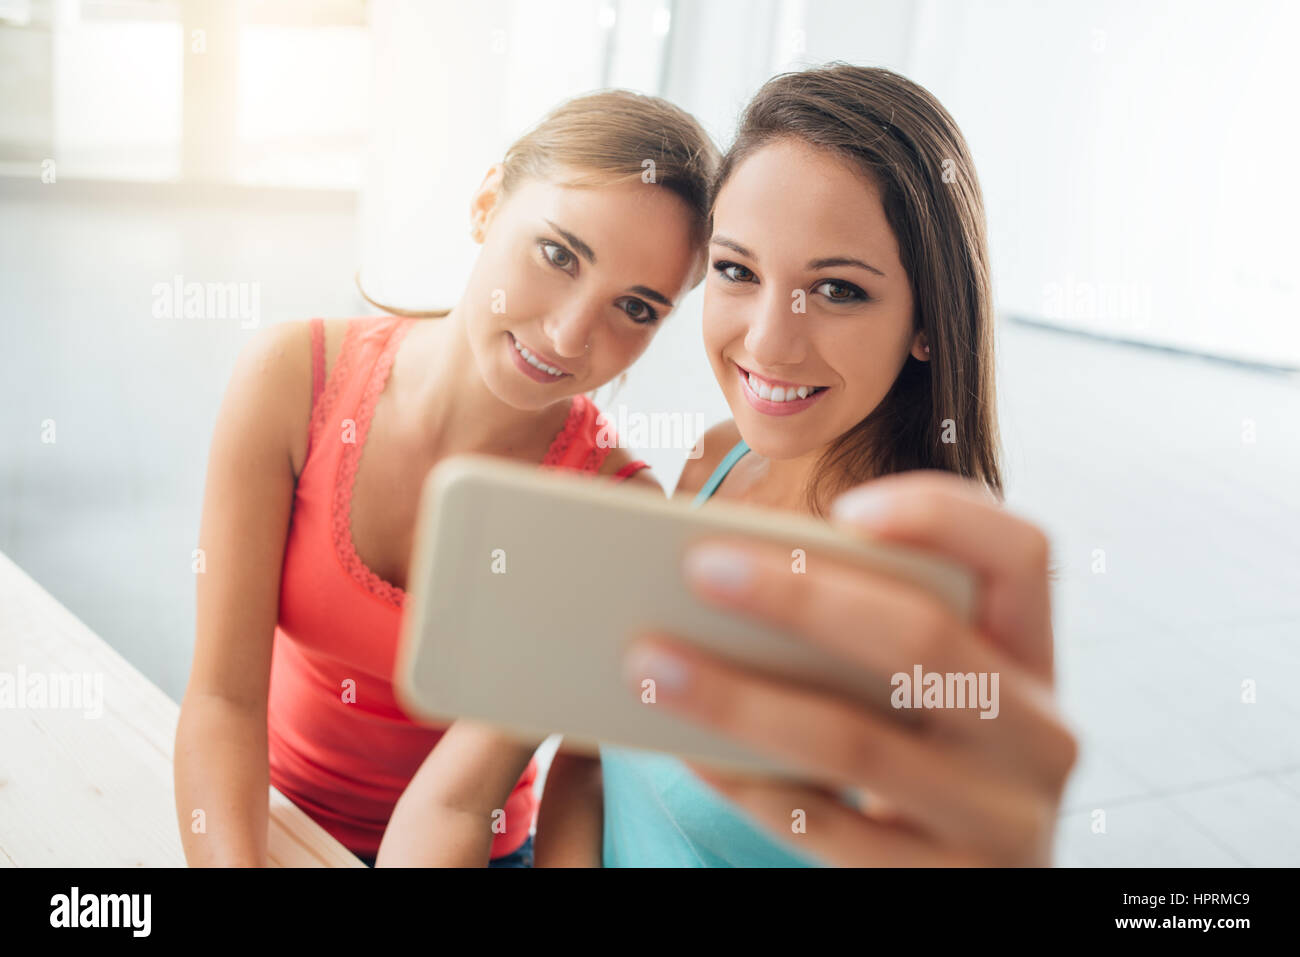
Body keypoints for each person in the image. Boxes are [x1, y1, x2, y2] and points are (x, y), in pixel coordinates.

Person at [541, 64, 1078, 867]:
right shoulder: (711, 464)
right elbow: (587, 761)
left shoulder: (927, 605)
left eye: (836, 289)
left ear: (928, 321)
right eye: (737, 270)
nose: (767, 341)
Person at [173, 89, 720, 867]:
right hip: (267, 819)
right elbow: (221, 700)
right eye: (558, 254)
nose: (568, 334)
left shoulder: (612, 510)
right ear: (487, 203)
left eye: (634, 307)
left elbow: (459, 803)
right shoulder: (291, 379)